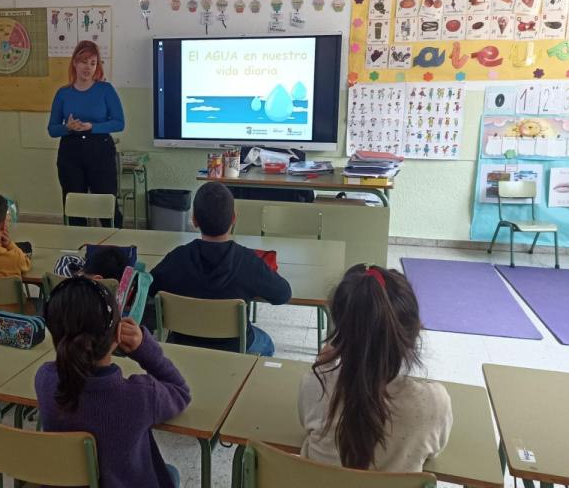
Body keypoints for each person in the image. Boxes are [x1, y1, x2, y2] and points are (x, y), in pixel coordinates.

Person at [36, 277, 190, 487]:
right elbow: (181, 392)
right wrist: (143, 348)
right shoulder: (142, 395)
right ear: (118, 333)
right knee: (169, 472)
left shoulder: (45, 379)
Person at [298, 264, 452, 472]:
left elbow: (306, 425)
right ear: (413, 331)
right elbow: (434, 452)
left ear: (340, 331)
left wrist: (326, 370)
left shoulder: (315, 384)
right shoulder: (434, 403)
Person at [148, 182, 290, 355]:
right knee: (266, 344)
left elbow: (150, 287)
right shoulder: (247, 261)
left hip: (183, 345)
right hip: (235, 347)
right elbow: (283, 294)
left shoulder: (177, 258)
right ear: (234, 218)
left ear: (194, 220)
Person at [48, 40, 125, 227]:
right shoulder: (63, 93)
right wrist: (68, 127)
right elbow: (52, 129)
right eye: (84, 62)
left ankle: (116, 250)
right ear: (74, 63)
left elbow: (119, 123)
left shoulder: (105, 90)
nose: (88, 68)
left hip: (100, 150)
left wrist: (93, 127)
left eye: (93, 63)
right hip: (71, 153)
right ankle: (77, 251)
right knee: (75, 206)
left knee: (106, 206)